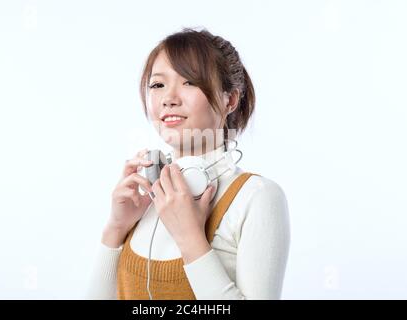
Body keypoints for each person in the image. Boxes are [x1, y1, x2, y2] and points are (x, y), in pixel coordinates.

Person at [86, 27, 290, 300]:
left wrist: (190, 238)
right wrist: (116, 227)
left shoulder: (257, 197)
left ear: (230, 99)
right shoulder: (144, 200)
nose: (168, 99)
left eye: (189, 82)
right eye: (158, 85)